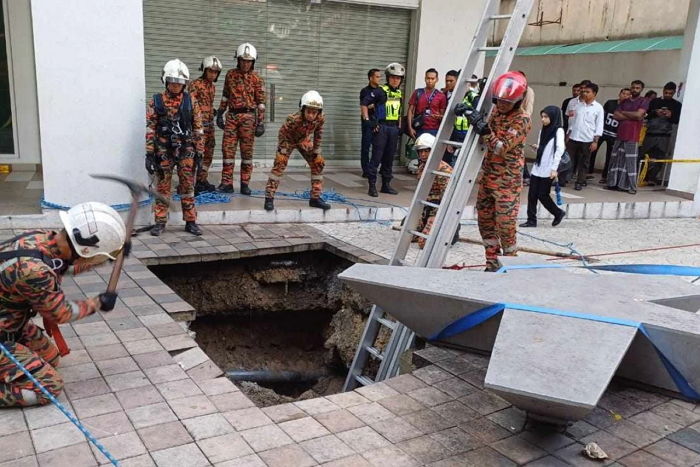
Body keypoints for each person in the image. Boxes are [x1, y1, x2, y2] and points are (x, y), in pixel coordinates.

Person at [0, 202, 126, 407]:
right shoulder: (35, 272)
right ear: (85, 250)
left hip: (12, 324)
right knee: (48, 387)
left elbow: (64, 267)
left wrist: (109, 257)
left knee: (51, 357)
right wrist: (97, 303)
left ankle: (15, 360)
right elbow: (60, 313)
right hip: (3, 332)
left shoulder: (43, 239)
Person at [474, 71, 532, 271]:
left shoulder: (522, 119)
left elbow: (501, 147)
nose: (501, 106)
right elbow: (484, 137)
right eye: (498, 101)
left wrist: (485, 131)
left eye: (506, 103)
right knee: (485, 224)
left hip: (507, 183)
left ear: (517, 101)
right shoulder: (496, 113)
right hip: (488, 178)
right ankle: (491, 265)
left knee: (506, 227)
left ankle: (510, 266)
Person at [145, 59, 204, 236]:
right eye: (173, 82)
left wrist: (200, 151)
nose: (176, 86)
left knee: (187, 186)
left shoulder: (190, 101)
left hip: (186, 149)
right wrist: (149, 153)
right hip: (164, 150)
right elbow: (150, 128)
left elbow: (198, 127)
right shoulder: (156, 101)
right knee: (163, 187)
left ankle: (191, 221)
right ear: (166, 81)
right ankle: (160, 222)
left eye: (180, 82)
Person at [264, 91, 330, 212]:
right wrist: (283, 150)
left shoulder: (320, 118)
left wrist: (317, 152)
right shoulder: (293, 119)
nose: (311, 115)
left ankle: (315, 198)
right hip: (288, 140)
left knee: (318, 163)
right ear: (303, 109)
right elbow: (282, 133)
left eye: (314, 112)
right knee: (279, 165)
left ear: (318, 112)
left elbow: (318, 134)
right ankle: (269, 197)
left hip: (304, 140)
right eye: (308, 112)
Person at [216, 42, 266, 195]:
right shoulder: (230, 74)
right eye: (243, 60)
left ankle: (245, 183)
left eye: (249, 61)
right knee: (227, 151)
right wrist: (220, 113)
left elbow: (261, 102)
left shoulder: (257, 78)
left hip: (248, 118)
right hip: (232, 116)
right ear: (238, 60)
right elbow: (225, 95)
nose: (246, 64)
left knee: (247, 153)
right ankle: (227, 183)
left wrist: (260, 123)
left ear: (253, 62)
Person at [361, 62, 406, 197]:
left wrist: (399, 127)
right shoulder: (380, 91)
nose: (395, 80)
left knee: (389, 158)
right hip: (382, 128)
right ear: (388, 78)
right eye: (392, 77)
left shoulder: (398, 93)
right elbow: (364, 104)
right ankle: (372, 186)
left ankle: (386, 185)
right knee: (376, 157)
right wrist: (368, 121)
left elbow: (398, 111)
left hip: (393, 129)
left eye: (398, 78)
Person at [520, 106, 566, 228]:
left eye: (546, 117)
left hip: (549, 167)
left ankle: (558, 212)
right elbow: (543, 146)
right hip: (538, 165)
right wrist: (538, 147)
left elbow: (560, 149)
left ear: (553, 117)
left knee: (542, 194)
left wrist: (554, 169)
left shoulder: (558, 131)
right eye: (542, 117)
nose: (543, 119)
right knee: (532, 194)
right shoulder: (544, 130)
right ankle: (531, 220)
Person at [413, 133, 457, 248]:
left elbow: (447, 197)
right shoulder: (422, 167)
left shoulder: (443, 170)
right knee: (409, 234)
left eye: (426, 151)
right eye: (421, 151)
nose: (423, 154)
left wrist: (437, 215)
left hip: (437, 207)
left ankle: (450, 228)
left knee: (424, 243)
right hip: (425, 206)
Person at [607, 80, 649, 194]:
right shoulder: (624, 102)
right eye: (633, 87)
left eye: (637, 88)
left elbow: (639, 115)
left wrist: (624, 114)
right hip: (620, 134)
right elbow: (616, 115)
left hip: (632, 136)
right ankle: (613, 183)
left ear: (641, 89)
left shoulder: (643, 101)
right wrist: (632, 115)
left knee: (629, 162)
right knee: (616, 160)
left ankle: (630, 186)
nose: (635, 89)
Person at [189, 55, 222, 195]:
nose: (213, 74)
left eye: (215, 72)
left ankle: (202, 180)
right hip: (198, 127)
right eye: (210, 71)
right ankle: (191, 183)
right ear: (204, 70)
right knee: (197, 154)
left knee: (208, 154)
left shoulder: (212, 87)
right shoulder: (195, 84)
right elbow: (190, 105)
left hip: (210, 125)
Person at [640, 82, 682, 185]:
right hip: (650, 133)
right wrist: (655, 112)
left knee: (659, 158)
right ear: (663, 90)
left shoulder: (677, 105)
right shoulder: (654, 101)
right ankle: (641, 177)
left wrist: (670, 115)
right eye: (666, 92)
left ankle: (652, 179)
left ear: (674, 92)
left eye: (670, 93)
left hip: (664, 136)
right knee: (644, 156)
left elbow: (677, 121)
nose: (667, 95)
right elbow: (645, 115)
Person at [566, 82, 604, 190]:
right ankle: (564, 179)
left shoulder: (598, 108)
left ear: (594, 93)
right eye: (583, 91)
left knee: (584, 162)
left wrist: (595, 141)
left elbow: (599, 125)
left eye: (588, 92)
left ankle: (580, 181)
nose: (584, 93)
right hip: (573, 137)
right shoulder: (577, 105)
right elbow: (571, 121)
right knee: (568, 160)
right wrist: (568, 134)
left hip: (587, 139)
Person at [596, 88, 631, 184]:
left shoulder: (628, 107)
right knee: (593, 151)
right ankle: (587, 172)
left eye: (627, 94)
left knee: (610, 156)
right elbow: (602, 115)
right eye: (623, 93)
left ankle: (605, 175)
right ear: (619, 94)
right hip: (603, 131)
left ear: (630, 96)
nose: (625, 95)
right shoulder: (610, 103)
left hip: (614, 134)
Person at [444, 74, 480, 166]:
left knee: (463, 163)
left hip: (468, 134)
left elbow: (478, 116)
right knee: (451, 162)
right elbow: (449, 119)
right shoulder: (454, 96)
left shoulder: (473, 96)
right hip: (455, 134)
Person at [407, 68, 447, 138]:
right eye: (428, 78)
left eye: (432, 79)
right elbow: (410, 111)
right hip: (419, 127)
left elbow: (442, 115)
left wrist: (439, 117)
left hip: (434, 129)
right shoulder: (418, 92)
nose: (430, 81)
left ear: (437, 80)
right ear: (425, 78)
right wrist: (410, 128)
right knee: (419, 148)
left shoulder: (441, 96)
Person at [359, 69, 381, 178]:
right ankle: (365, 169)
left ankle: (374, 167)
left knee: (378, 146)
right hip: (368, 121)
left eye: (379, 76)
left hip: (378, 120)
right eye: (377, 76)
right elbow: (364, 106)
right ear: (371, 78)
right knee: (366, 146)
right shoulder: (365, 91)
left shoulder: (381, 91)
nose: (379, 79)